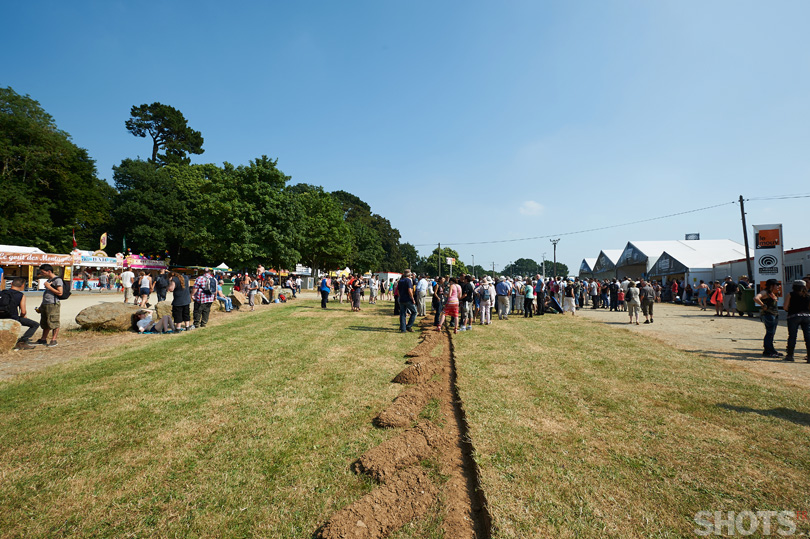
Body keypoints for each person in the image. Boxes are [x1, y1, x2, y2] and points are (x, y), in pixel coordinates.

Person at [0, 277, 40, 350]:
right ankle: (22, 342)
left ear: (11, 284)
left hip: (1, 316)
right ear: (22, 285)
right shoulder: (21, 295)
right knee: (35, 324)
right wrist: (23, 317)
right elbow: (23, 311)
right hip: (13, 317)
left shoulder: (2, 292)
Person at [34, 264, 63, 347]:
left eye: (43, 272)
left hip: (53, 304)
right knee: (45, 322)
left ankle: (54, 340)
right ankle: (43, 339)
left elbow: (60, 292)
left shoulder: (58, 280)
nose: (42, 274)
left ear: (49, 271)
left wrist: (48, 287)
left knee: (54, 321)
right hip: (45, 303)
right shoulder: (49, 279)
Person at [754, 279, 782, 358]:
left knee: (771, 333)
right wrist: (763, 305)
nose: (778, 286)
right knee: (770, 333)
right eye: (776, 285)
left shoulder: (771, 293)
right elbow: (756, 298)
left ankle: (771, 350)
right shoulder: (765, 292)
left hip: (774, 314)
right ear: (771, 285)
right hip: (768, 315)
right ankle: (768, 351)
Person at [782, 280, 809, 362]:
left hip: (793, 316)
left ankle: (790, 356)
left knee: (792, 336)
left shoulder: (790, 295)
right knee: (808, 337)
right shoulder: (808, 295)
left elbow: (785, 307)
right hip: (807, 317)